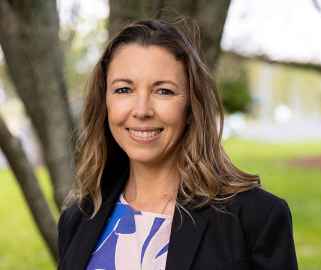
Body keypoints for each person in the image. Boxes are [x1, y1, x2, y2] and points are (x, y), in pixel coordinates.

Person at [57, 18, 298, 270]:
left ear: (191, 106)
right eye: (124, 89)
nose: (141, 110)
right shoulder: (78, 218)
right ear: (104, 102)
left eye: (163, 91)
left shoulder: (255, 218)